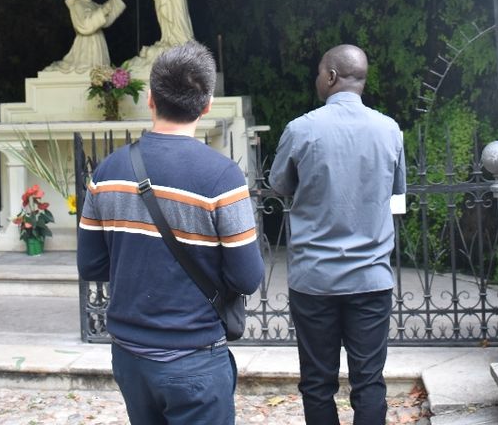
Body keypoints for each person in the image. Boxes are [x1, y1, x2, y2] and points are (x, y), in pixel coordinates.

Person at [78, 41, 264, 425]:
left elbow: (92, 265)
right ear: (207, 104)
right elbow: (247, 277)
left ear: (150, 99)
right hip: (193, 354)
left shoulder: (107, 172)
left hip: (129, 355)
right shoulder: (221, 177)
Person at [269, 44, 406, 425]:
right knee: (369, 382)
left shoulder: (301, 129)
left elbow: (279, 185)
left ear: (330, 76)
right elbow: (397, 188)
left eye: (318, 72)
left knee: (316, 382)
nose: (317, 79)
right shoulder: (389, 129)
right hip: (371, 278)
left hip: (315, 280)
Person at [46, 0, 129, 72]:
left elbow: (105, 14)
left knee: (100, 69)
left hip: (98, 38)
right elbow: (84, 24)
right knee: (87, 67)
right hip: (87, 42)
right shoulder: (77, 4)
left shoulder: (93, 4)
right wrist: (102, 12)